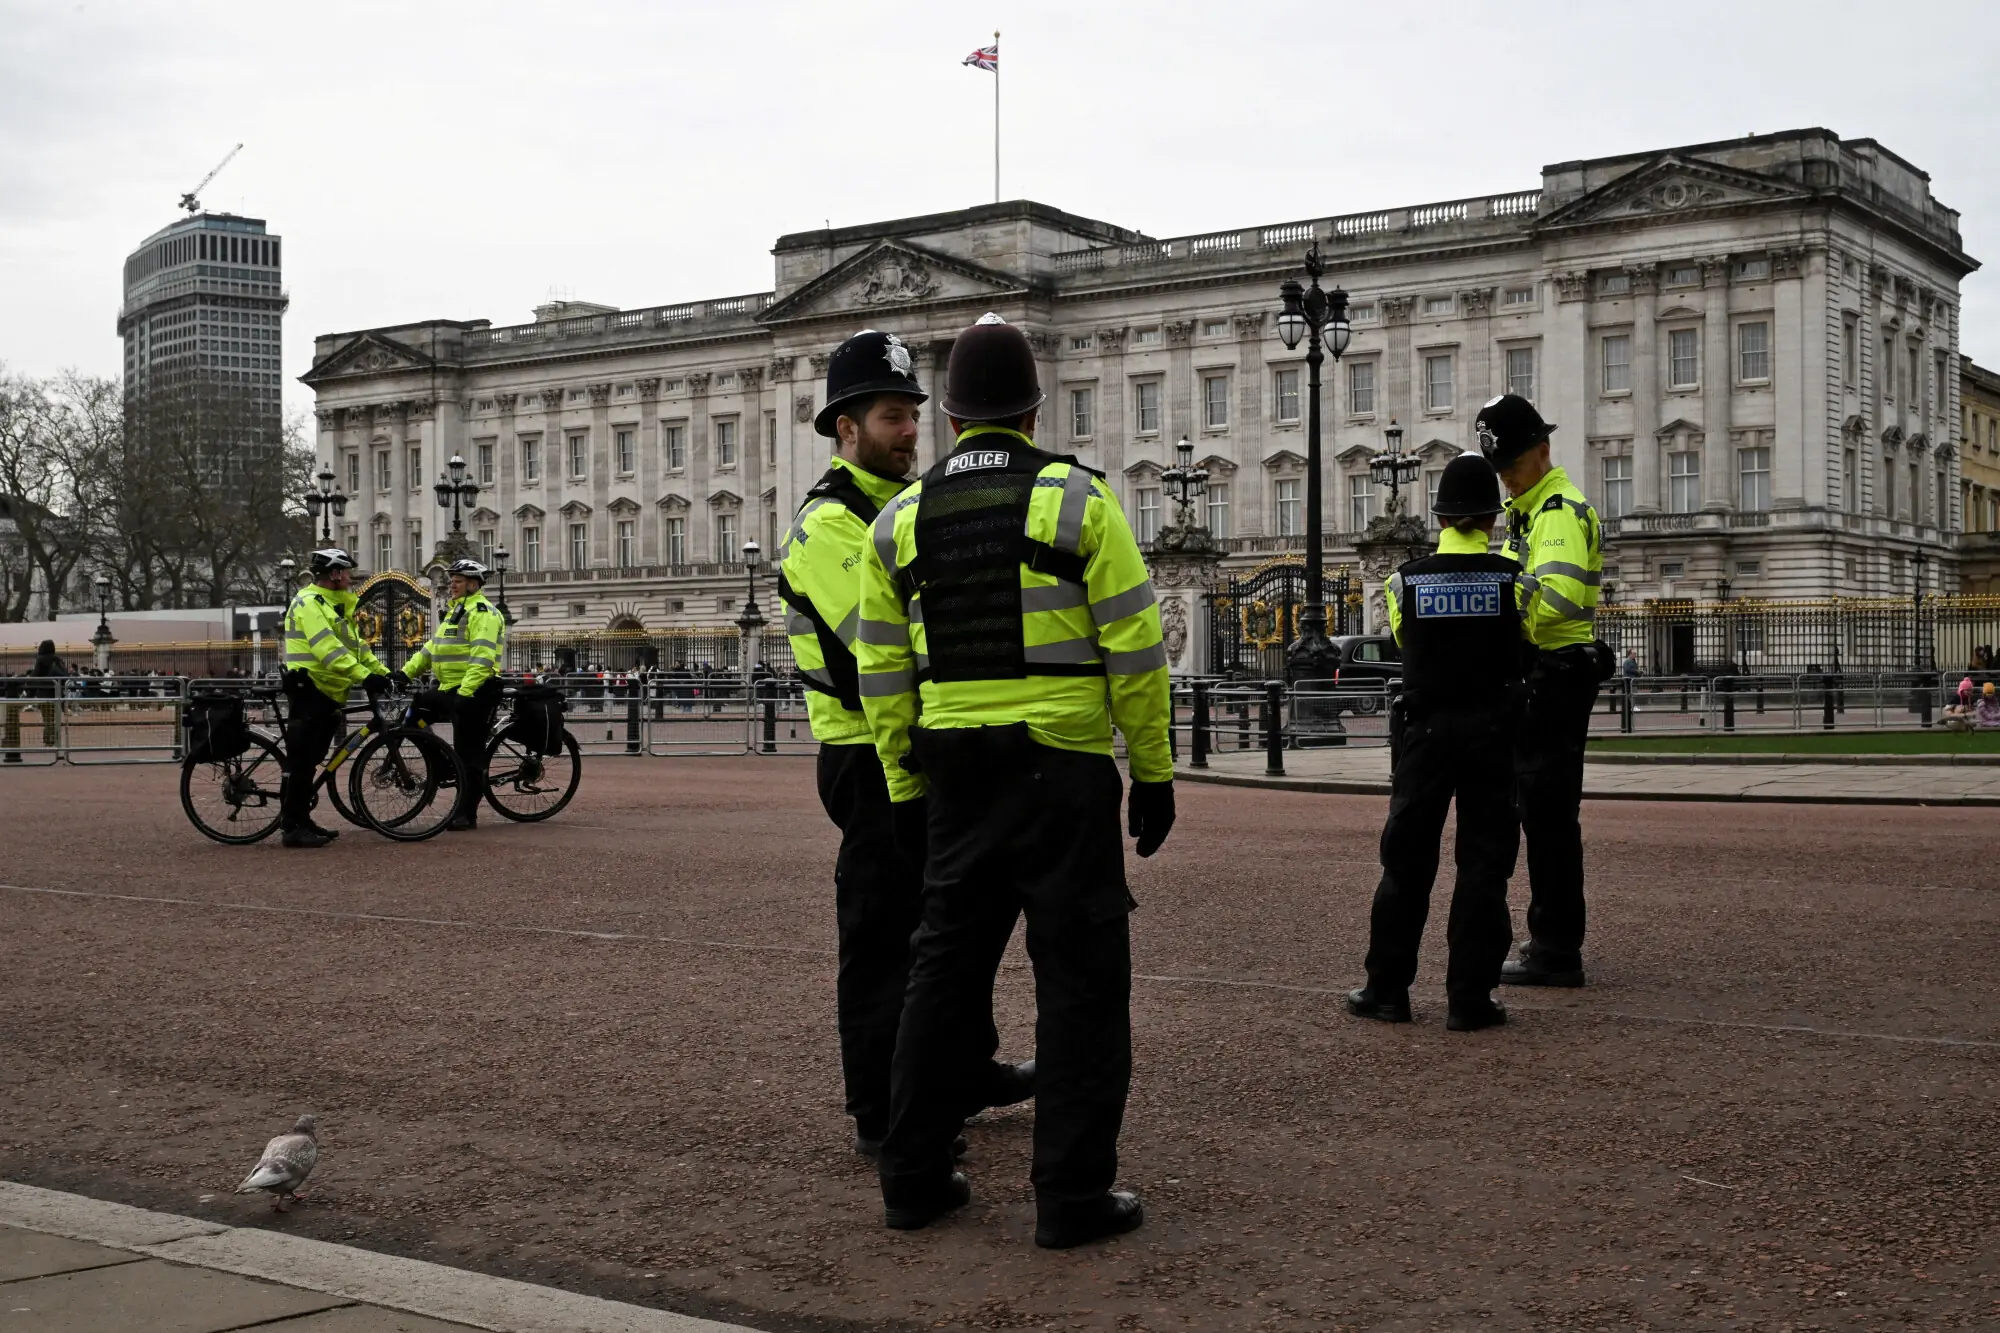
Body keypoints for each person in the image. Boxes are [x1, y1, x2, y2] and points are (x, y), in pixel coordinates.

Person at [856, 313, 1174, 1249]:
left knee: (941, 976)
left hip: (954, 767)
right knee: (1080, 986)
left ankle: (912, 1178)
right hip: (1063, 768)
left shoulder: (899, 521)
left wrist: (905, 783)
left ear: (950, 418)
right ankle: (1069, 1196)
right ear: (1032, 413)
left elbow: (883, 673)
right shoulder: (1079, 502)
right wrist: (1150, 770)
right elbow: (1136, 648)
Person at [779, 329, 1035, 1167]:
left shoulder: (896, 512)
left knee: (951, 922)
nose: (909, 432)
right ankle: (882, 1110)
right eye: (893, 416)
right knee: (885, 934)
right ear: (844, 428)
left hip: (923, 740)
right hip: (865, 750)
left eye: (914, 416)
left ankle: (960, 1069)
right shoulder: (827, 526)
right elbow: (879, 653)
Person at [1347, 453, 1524, 1032]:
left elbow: (1403, 640)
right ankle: (1470, 998)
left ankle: (1388, 991)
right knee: (1484, 866)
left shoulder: (1405, 580)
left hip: (1425, 732)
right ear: (1491, 520)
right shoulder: (1515, 579)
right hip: (1494, 730)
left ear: (1442, 518)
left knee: (1406, 863)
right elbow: (1528, 642)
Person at [1477, 394, 1613, 989]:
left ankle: (1556, 947)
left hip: (1555, 670)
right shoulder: (1529, 512)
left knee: (1549, 814)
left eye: (1511, 461)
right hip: (1545, 671)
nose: (1504, 474)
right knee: (1542, 810)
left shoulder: (1555, 511)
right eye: (1498, 464)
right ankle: (1553, 938)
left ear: (1542, 450)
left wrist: (1505, 622)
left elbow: (1553, 599)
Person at [279, 549, 390, 847]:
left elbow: (357, 649)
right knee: (301, 762)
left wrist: (383, 673)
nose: (351, 578)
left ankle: (303, 819)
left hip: (327, 690)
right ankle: (291, 827)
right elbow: (327, 649)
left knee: (311, 759)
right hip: (309, 687)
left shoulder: (336, 605)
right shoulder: (309, 603)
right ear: (335, 574)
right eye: (348, 572)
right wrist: (364, 677)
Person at [392, 558, 506, 830]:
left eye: (458, 581)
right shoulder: (454, 612)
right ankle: (442, 765)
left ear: (473, 584)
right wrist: (405, 672)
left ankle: (467, 813)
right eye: (451, 580)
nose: (452, 585)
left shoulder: (484, 612)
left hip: (476, 689)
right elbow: (432, 649)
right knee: (410, 718)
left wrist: (466, 692)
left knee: (469, 752)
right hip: (447, 688)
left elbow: (483, 656)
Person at [2, 639, 69, 762]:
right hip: (56, 691)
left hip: (43, 691)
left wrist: (29, 688)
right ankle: (55, 740)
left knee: (47, 718)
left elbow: (36, 675)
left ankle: (49, 740)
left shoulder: (41, 659)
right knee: (54, 718)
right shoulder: (57, 659)